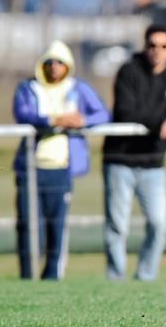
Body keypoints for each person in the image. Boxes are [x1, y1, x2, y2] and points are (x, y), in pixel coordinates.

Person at [12, 41, 110, 279]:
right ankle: (28, 276)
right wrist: (54, 119)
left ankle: (52, 276)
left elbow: (103, 113)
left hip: (61, 169)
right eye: (50, 62)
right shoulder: (29, 88)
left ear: (68, 66)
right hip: (32, 168)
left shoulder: (77, 88)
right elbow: (23, 113)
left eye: (60, 63)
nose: (55, 67)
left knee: (57, 226)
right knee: (29, 225)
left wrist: (82, 121)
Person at [100, 24, 166, 281]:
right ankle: (116, 278)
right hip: (120, 160)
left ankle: (146, 276)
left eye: (163, 46)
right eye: (152, 45)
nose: (157, 51)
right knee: (117, 225)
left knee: (158, 224)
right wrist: (163, 121)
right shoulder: (129, 71)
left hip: (154, 163)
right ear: (145, 46)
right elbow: (126, 112)